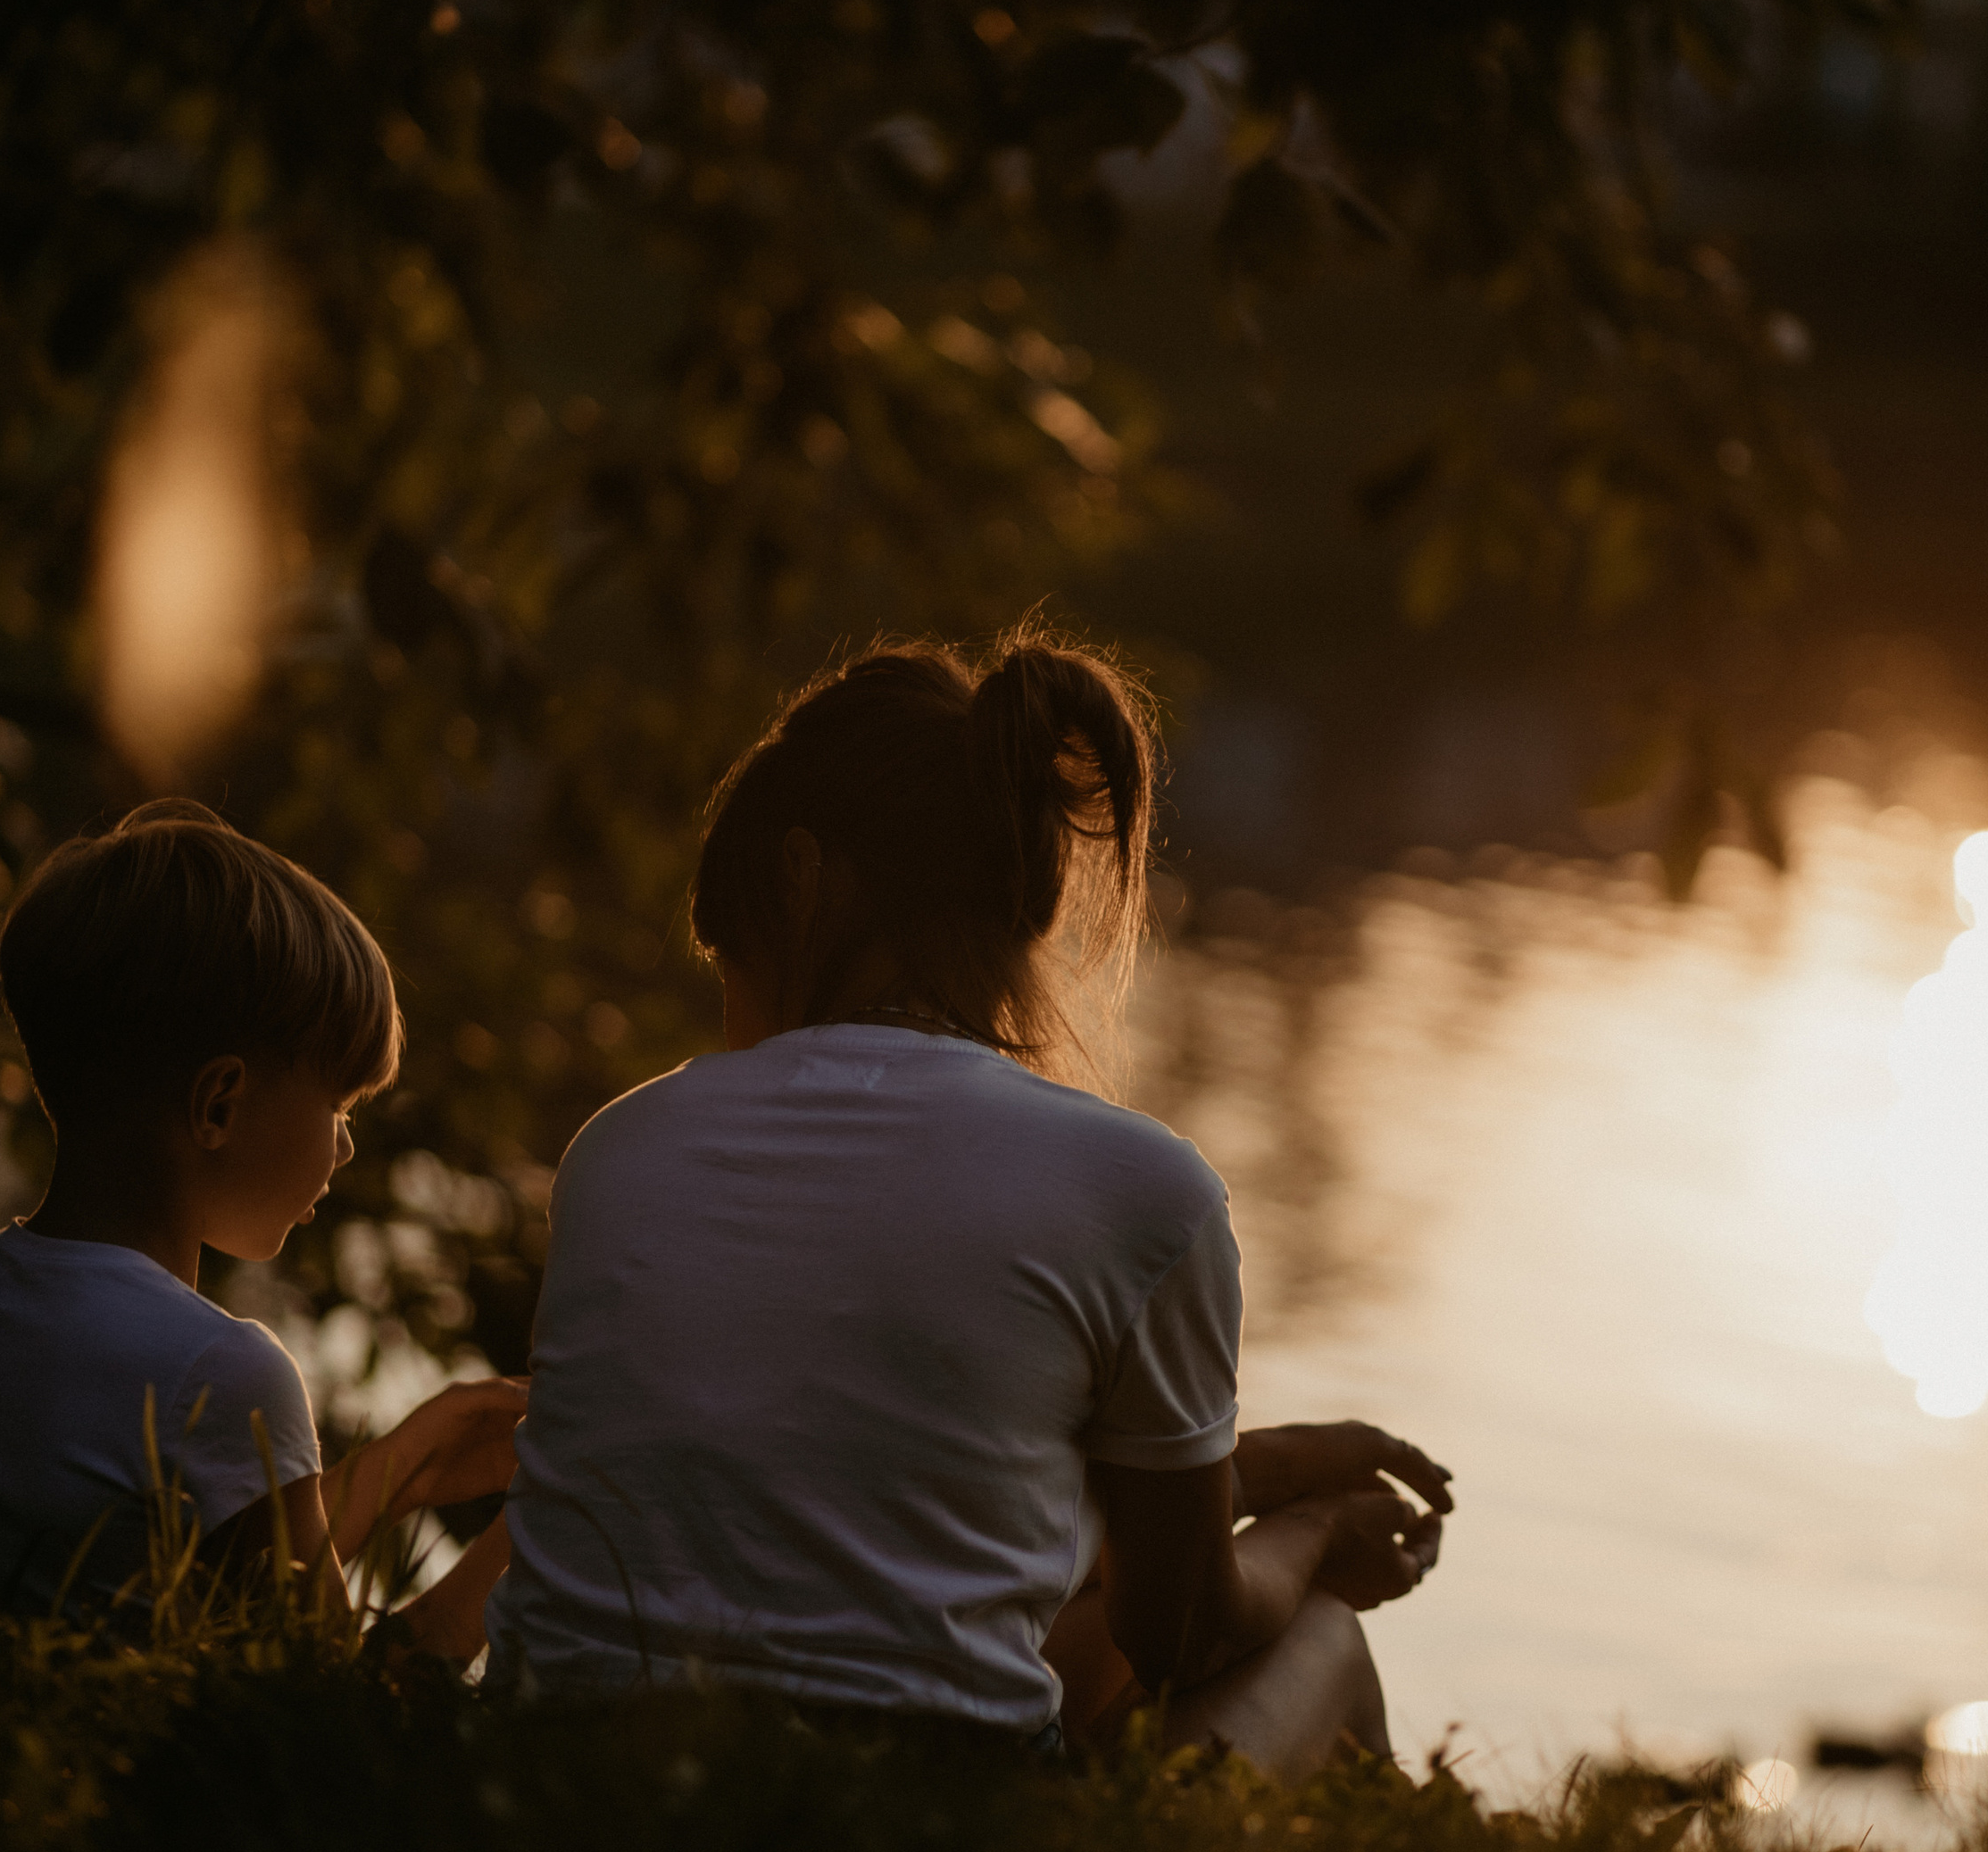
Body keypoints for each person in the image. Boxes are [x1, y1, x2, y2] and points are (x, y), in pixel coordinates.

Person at [487, 635, 1451, 1774]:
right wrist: (1312, 1528)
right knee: (1324, 1642)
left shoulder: (618, 1147)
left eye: (728, 954)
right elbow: (1179, 1630)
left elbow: (867, 1513)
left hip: (555, 1775)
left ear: (799, 875)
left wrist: (1235, 1475)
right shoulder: (1139, 1187)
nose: (732, 1009)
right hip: (921, 1825)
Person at [0, 802, 523, 1654]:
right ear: (219, 1104)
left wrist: (398, 1471)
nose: (347, 1142)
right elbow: (328, 1728)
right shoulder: (221, 1373)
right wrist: (526, 1549)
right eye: (337, 1104)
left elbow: (202, 1553)